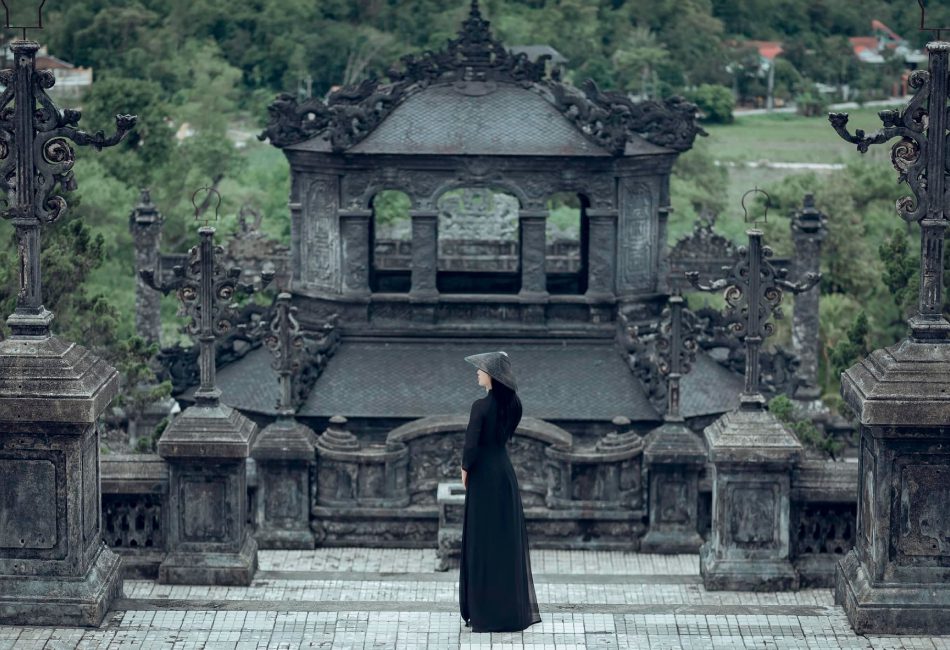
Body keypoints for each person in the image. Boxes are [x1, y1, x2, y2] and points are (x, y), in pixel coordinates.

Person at [458, 350, 541, 633]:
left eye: (480, 369)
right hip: (504, 475)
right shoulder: (513, 405)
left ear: (492, 376)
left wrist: (465, 470)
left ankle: (482, 612)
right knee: (504, 542)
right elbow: (501, 438)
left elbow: (471, 446)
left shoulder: (479, 407)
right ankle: (506, 611)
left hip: (482, 477)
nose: (477, 373)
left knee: (482, 542)